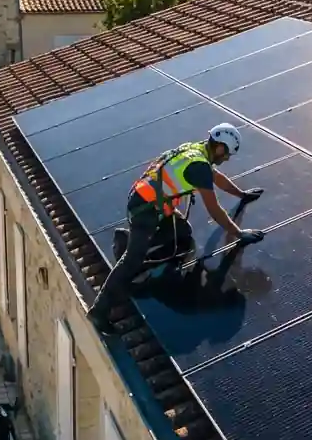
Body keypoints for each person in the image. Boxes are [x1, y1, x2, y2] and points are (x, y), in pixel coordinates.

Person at [86, 122, 266, 334]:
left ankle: (136, 243)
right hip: (145, 210)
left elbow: (215, 178)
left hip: (150, 202)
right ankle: (99, 311)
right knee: (132, 261)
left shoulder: (198, 150)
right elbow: (214, 210)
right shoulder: (198, 165)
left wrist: (242, 195)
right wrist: (239, 234)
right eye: (227, 154)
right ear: (219, 147)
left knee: (183, 234)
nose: (227, 159)